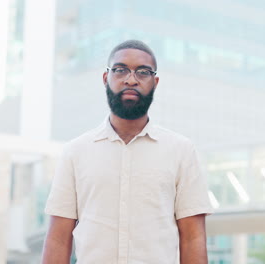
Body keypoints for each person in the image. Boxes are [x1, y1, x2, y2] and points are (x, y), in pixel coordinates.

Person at [41, 40, 213, 264]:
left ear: (155, 82)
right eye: (120, 70)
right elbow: (58, 239)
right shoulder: (76, 151)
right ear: (106, 78)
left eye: (143, 72)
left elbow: (193, 238)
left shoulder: (181, 150)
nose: (131, 79)